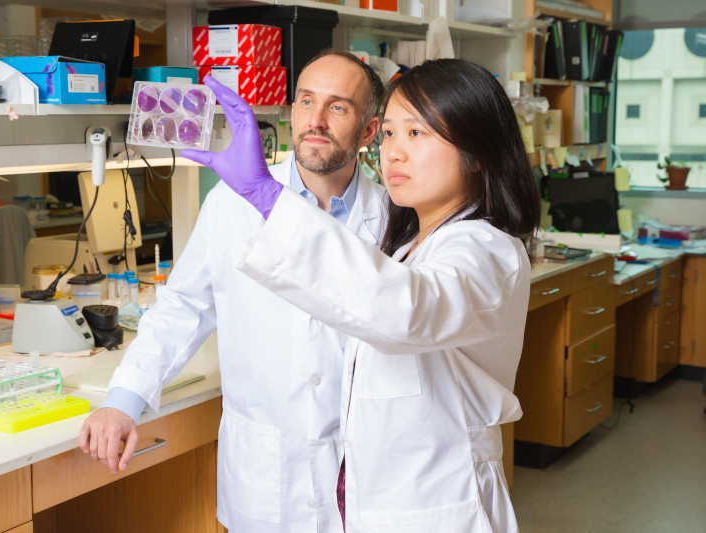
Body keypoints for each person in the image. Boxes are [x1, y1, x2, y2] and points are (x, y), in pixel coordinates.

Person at [182, 58, 542, 532]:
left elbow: (404, 309)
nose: (393, 152)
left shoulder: (485, 249)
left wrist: (269, 198)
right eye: (390, 134)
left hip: (437, 509)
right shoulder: (413, 247)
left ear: (477, 150)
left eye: (417, 134)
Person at [79, 49, 386, 533]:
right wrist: (123, 399)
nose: (317, 120)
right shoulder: (230, 203)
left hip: (365, 477)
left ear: (369, 131)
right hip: (267, 476)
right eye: (306, 101)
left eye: (339, 107)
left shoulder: (394, 218)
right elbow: (183, 307)